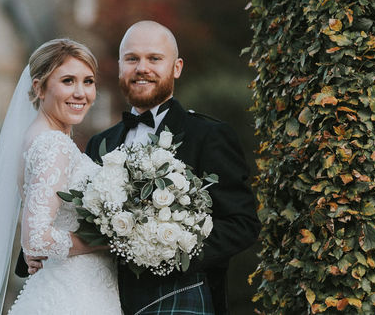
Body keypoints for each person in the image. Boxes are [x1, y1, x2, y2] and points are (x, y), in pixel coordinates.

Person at [19, 21, 261, 314]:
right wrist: (32, 252)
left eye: (154, 59)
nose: (142, 68)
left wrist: (169, 249)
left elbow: (242, 224)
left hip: (178, 296)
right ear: (120, 67)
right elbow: (66, 210)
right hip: (99, 298)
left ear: (177, 67)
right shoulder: (99, 143)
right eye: (132, 59)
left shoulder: (209, 135)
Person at [0, 39, 122, 314]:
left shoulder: (38, 138)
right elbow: (36, 238)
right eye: (68, 81)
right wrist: (109, 239)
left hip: (70, 287)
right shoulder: (52, 146)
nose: (81, 93)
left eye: (88, 81)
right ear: (39, 87)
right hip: (73, 297)